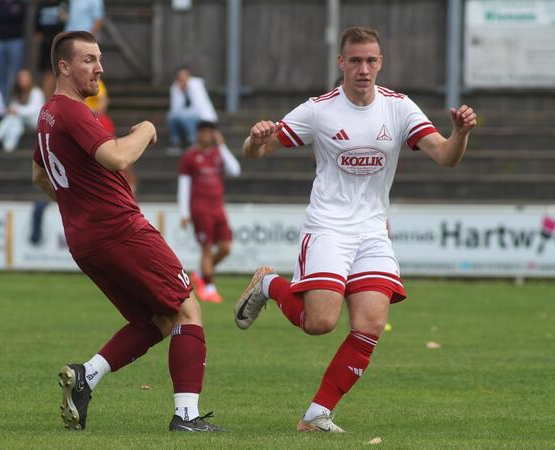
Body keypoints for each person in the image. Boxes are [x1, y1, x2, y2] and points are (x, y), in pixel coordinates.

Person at [233, 26, 477, 433]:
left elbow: (446, 157)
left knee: (370, 324)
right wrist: (255, 139)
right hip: (328, 227)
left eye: (371, 60)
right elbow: (255, 153)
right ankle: (269, 285)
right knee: (320, 323)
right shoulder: (319, 109)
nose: (363, 69)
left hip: (372, 231)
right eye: (356, 60)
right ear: (341, 62)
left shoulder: (398, 108)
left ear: (380, 63)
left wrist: (462, 134)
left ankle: (316, 414)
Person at [31, 31, 222, 432]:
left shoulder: (48, 115)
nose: (98, 67)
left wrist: (79, 205)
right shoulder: (72, 112)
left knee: (159, 319)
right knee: (187, 308)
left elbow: (39, 174)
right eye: (88, 60)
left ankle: (86, 377)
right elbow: (116, 156)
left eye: (99, 58)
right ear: (64, 67)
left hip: (85, 241)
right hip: (120, 229)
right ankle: (186, 417)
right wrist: (148, 129)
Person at [178, 121, 240, 303]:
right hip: (200, 208)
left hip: (217, 207)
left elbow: (235, 170)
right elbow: (184, 186)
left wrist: (222, 146)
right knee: (206, 248)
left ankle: (199, 274)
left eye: (210, 131)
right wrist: (184, 213)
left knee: (225, 247)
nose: (207, 135)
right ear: (198, 134)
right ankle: (209, 287)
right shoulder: (190, 157)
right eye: (203, 131)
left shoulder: (218, 155)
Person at [0, 70, 44, 152]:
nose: (23, 82)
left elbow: (34, 110)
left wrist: (17, 111)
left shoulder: (36, 92)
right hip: (21, 120)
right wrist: (12, 110)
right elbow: (13, 106)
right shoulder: (16, 92)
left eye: (25, 79)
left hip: (36, 121)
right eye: (21, 79)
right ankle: (9, 146)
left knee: (15, 118)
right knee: (15, 123)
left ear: (30, 80)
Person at [167, 67, 217, 153]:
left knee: (187, 117)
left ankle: (192, 141)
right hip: (184, 116)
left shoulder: (196, 84)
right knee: (171, 116)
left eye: (185, 76)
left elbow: (198, 107)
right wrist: (181, 92)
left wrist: (182, 114)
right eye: (180, 77)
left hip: (202, 115)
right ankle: (175, 142)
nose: (183, 79)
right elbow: (175, 109)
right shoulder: (175, 87)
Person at [0, 0, 28, 102]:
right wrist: (10, 14)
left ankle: (14, 101)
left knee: (15, 73)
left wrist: (5, 15)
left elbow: (20, 17)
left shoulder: (20, 3)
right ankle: (3, 103)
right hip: (0, 41)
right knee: (1, 73)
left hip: (15, 41)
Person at [34, 0, 67, 98]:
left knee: (56, 73)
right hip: (46, 45)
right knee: (47, 74)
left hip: (58, 44)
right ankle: (47, 100)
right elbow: (36, 23)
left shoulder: (62, 4)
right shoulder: (41, 5)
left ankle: (53, 99)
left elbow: (65, 22)